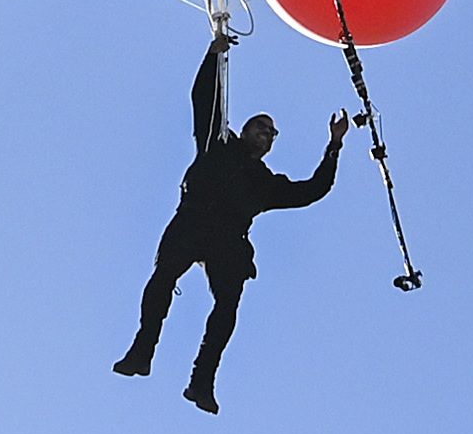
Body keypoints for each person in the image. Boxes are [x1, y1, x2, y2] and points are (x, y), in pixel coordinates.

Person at [114, 29, 345, 412]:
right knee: (162, 278)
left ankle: (202, 381)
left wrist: (334, 145)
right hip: (192, 221)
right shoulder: (217, 143)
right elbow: (204, 100)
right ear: (244, 129)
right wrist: (214, 56)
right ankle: (142, 351)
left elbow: (312, 190)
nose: (267, 134)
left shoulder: (265, 184)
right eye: (261, 127)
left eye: (272, 133)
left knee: (227, 307)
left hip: (228, 240)